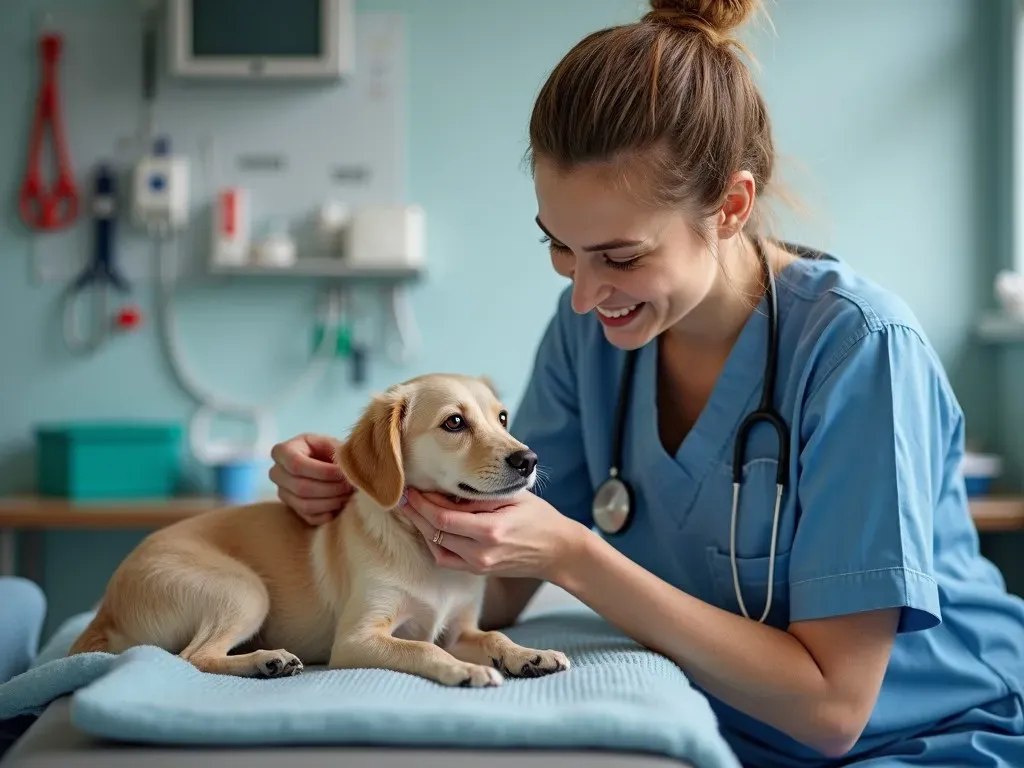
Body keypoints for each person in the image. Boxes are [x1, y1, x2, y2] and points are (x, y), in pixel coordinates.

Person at [267, 1, 1024, 765]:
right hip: (705, 731)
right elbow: (489, 582)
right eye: (560, 247)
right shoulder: (589, 337)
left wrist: (574, 556)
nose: (585, 294)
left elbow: (832, 709)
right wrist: (371, 495)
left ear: (730, 208)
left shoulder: (859, 351)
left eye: (620, 257)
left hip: (928, 738)